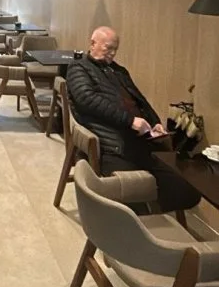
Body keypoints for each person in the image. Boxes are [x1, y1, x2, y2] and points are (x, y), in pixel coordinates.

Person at [66, 26, 201, 213]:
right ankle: (139, 218)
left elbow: (140, 100)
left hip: (142, 142)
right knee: (132, 201)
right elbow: (86, 99)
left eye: (115, 49)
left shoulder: (119, 71)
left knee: (188, 192)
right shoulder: (78, 67)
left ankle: (149, 213)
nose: (112, 53)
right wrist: (130, 121)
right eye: (108, 48)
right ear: (93, 43)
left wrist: (155, 122)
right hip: (112, 146)